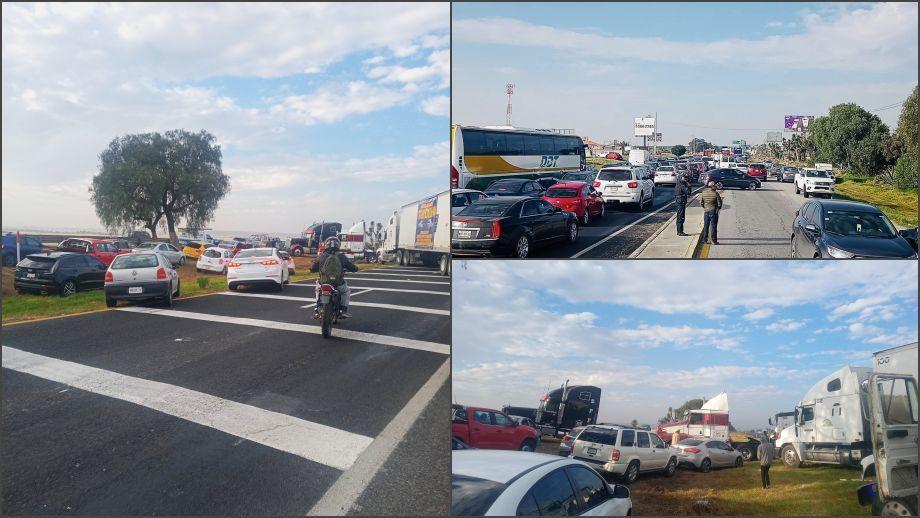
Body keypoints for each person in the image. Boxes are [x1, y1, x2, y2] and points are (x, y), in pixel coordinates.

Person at [310, 236, 358, 318]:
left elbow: (312, 268)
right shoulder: (341, 256)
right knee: (346, 291)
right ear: (338, 245)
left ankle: (318, 307)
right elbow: (353, 268)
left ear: (326, 245)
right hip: (338, 283)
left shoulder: (322, 255)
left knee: (318, 290)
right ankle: (343, 310)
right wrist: (355, 268)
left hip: (323, 282)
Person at [700, 181, 723, 245]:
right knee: (713, 227)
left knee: (706, 226)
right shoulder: (716, 193)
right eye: (714, 186)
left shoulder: (703, 193)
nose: (715, 187)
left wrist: (705, 207)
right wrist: (718, 209)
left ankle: (704, 240)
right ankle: (714, 241)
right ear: (712, 186)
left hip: (706, 211)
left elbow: (701, 202)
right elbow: (719, 204)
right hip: (713, 212)